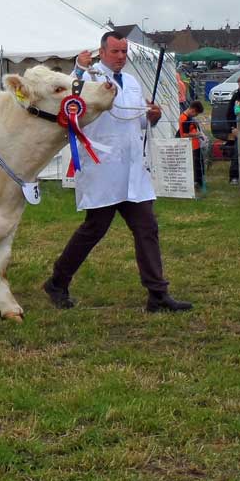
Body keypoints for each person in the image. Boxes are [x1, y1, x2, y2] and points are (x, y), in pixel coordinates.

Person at [44, 32, 192, 313]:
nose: (121, 56)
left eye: (124, 52)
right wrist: (78, 66)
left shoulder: (133, 82)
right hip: (104, 166)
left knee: (147, 228)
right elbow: (69, 94)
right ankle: (57, 281)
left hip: (133, 169)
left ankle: (158, 294)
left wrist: (152, 116)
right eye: (115, 51)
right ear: (102, 51)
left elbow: (135, 122)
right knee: (94, 229)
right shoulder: (90, 78)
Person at [177, 99, 205, 190]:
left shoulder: (190, 117)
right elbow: (183, 134)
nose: (196, 116)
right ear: (193, 110)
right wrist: (197, 134)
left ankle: (199, 182)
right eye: (196, 114)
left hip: (196, 145)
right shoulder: (184, 118)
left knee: (199, 163)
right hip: (190, 146)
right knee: (195, 165)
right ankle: (196, 182)